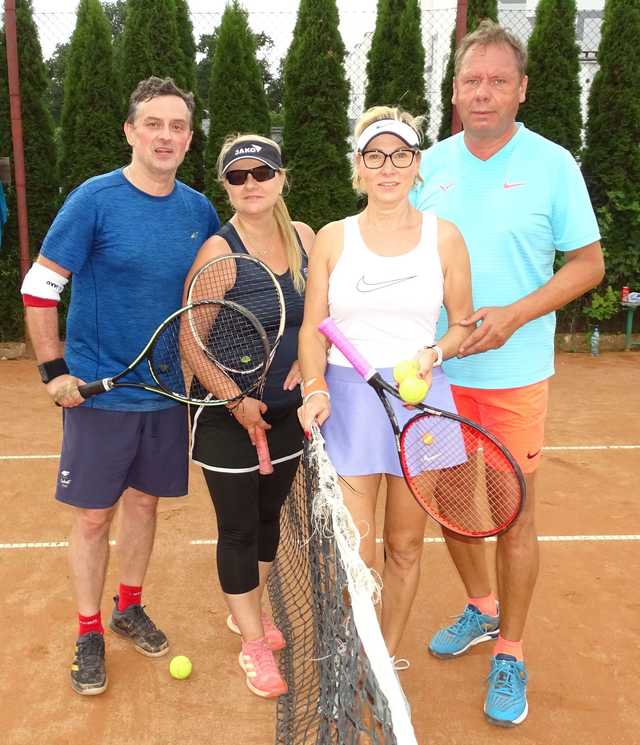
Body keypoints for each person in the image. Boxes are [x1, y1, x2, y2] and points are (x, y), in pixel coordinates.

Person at [410, 20, 605, 727]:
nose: (482, 92)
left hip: (515, 375)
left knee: (514, 513)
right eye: (470, 81)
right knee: (456, 507)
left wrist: (518, 313)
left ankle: (512, 650)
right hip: (435, 379)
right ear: (454, 91)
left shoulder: (553, 165)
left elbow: (589, 263)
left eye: (497, 80)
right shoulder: (426, 165)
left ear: (521, 89)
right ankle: (482, 608)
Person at [20, 77, 220, 696]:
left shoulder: (198, 211)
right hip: (98, 395)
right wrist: (55, 371)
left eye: (178, 126)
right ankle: (88, 630)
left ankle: (127, 606)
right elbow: (40, 286)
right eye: (153, 124)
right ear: (130, 132)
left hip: (165, 394)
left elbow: (208, 292)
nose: (166, 135)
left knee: (144, 505)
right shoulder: (94, 200)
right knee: (92, 518)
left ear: (189, 138)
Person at [297, 106, 474, 669]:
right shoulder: (332, 238)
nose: (388, 167)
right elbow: (311, 326)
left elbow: (464, 322)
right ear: (360, 167)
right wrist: (315, 387)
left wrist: (435, 352)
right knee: (355, 548)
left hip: (418, 399)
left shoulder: (445, 238)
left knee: (404, 545)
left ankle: (383, 661)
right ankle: (352, 650)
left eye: (400, 155)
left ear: (416, 165)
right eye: (376, 156)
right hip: (348, 401)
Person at [186, 134, 314, 699]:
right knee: (238, 529)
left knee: (267, 522)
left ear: (282, 178)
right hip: (227, 417)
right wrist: (235, 400)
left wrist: (315, 363)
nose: (251, 185)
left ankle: (247, 615)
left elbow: (324, 319)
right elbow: (191, 341)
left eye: (261, 174)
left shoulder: (307, 239)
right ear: (226, 188)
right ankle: (252, 644)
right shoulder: (219, 253)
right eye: (237, 177)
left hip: (288, 416)